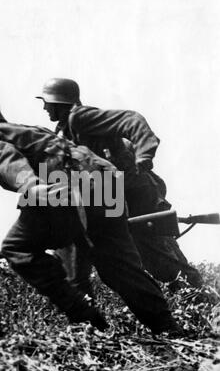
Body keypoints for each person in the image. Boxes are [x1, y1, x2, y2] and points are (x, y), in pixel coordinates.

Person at [0, 86, 184, 336]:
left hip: (61, 188)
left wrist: (30, 185)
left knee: (17, 247)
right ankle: (167, 326)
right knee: (120, 266)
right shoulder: (28, 130)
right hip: (106, 185)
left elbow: (4, 161)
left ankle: (86, 319)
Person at [36, 78, 203, 289]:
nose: (44, 107)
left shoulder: (79, 117)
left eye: (46, 102)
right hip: (118, 197)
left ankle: (204, 301)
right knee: (150, 257)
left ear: (57, 101)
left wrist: (144, 155)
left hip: (135, 194)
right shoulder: (65, 131)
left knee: (160, 259)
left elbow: (131, 120)